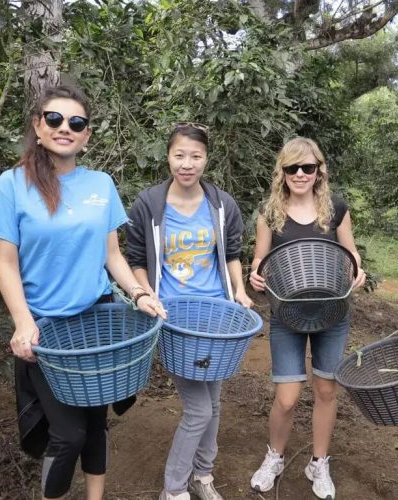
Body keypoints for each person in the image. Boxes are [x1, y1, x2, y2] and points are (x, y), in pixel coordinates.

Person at [0, 85, 164, 500]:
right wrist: (22, 322)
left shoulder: (100, 185)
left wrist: (140, 294)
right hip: (46, 329)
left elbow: (113, 255)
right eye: (53, 119)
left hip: (97, 319)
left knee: (95, 422)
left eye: (76, 123)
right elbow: (5, 262)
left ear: (86, 135)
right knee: (67, 434)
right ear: (37, 126)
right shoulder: (11, 185)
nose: (64, 128)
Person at [126, 123, 253, 500]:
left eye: (195, 156)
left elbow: (231, 254)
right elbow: (136, 258)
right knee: (199, 409)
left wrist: (240, 292)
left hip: (215, 314)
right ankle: (174, 488)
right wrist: (146, 293)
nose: (187, 164)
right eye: (179, 155)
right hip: (174, 318)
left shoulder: (221, 204)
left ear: (206, 159)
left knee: (214, 401)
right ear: (168, 156)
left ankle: (203, 475)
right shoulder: (149, 204)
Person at [248, 137, 366, 500]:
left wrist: (358, 270)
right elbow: (259, 260)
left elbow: (350, 254)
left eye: (308, 167)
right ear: (281, 172)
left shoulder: (336, 208)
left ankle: (318, 461)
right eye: (292, 168)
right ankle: (275, 456)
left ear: (319, 171)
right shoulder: (270, 212)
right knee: (286, 397)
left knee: (326, 390)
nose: (300, 174)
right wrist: (255, 274)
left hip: (333, 309)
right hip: (287, 311)